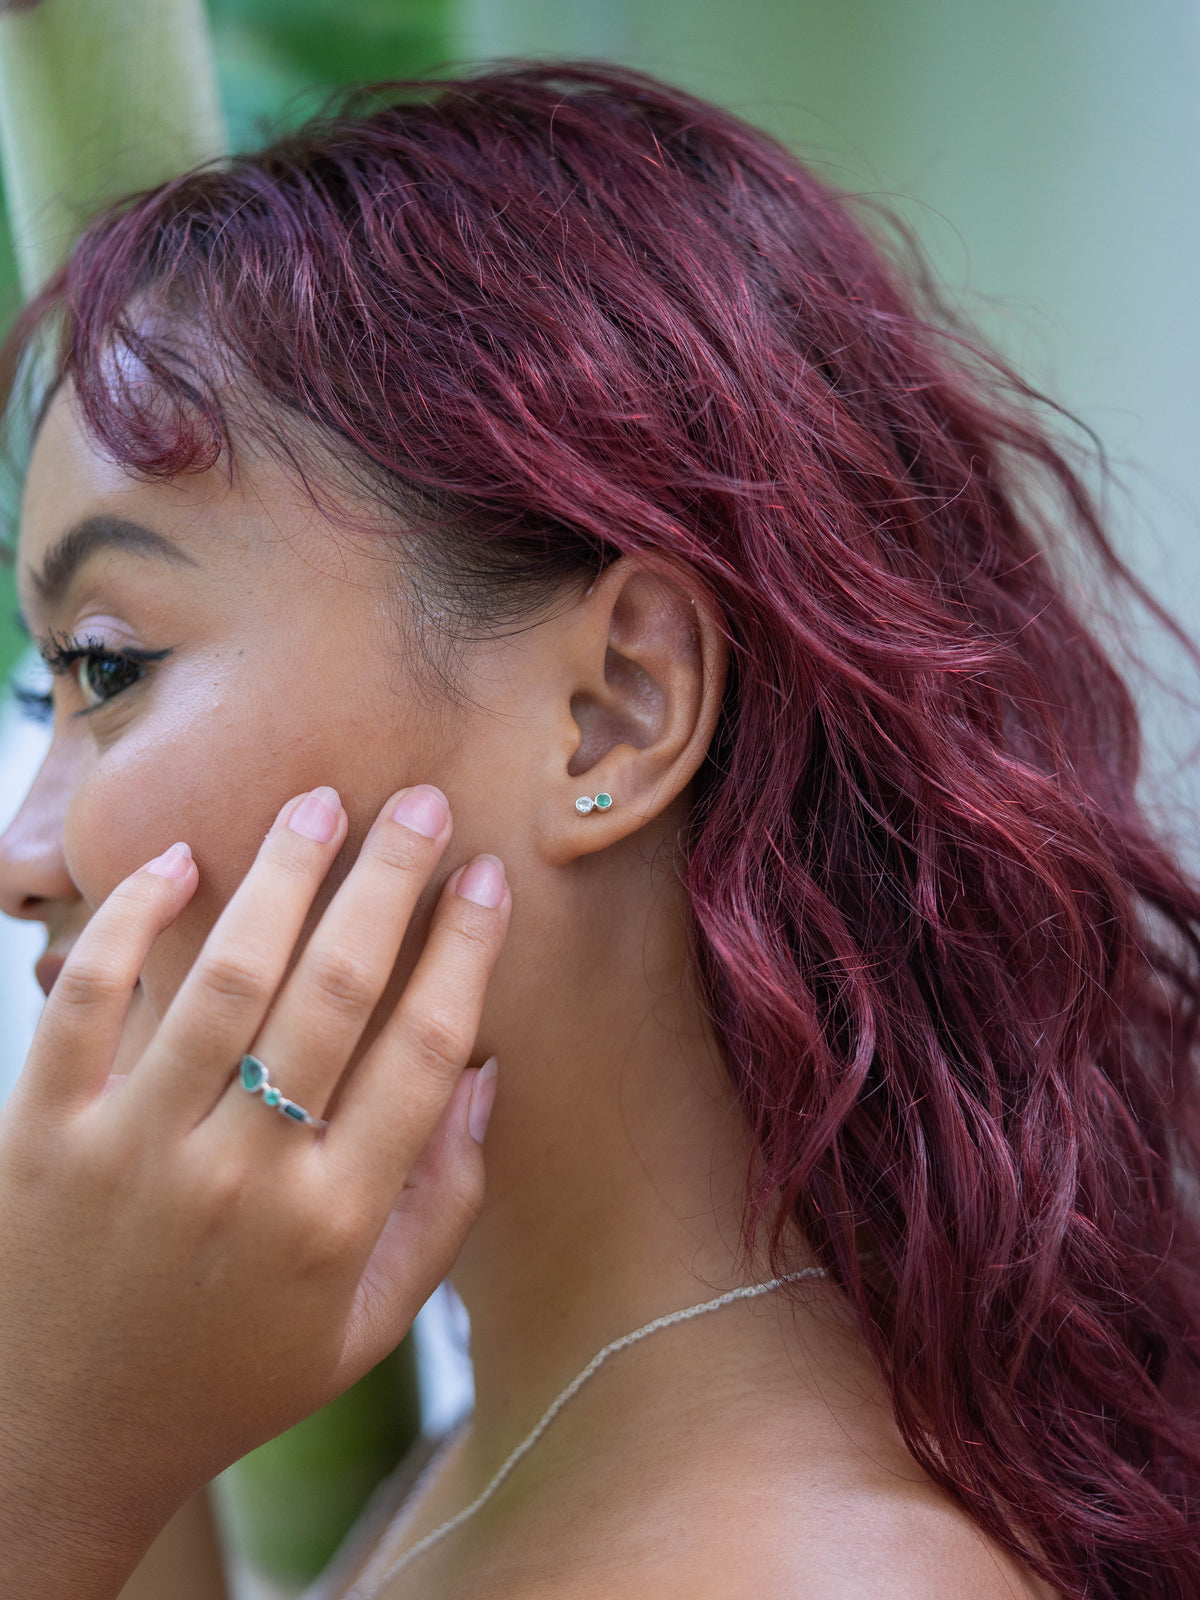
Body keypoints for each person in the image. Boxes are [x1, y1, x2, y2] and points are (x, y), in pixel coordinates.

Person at [0, 62, 1197, 1600]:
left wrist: (43, 1486)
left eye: (109, 665)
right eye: (52, 697)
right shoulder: (535, 1442)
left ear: (617, 710)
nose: (25, 857)